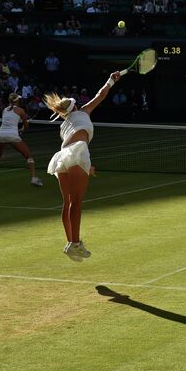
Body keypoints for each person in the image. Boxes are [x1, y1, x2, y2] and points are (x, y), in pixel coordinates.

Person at [44, 71, 122, 262]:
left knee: (68, 202)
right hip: (77, 153)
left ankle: (71, 242)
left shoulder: (64, 124)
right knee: (76, 202)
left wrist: (87, 167)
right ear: (75, 107)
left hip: (62, 157)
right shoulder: (83, 111)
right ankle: (75, 244)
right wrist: (112, 79)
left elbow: (71, 150)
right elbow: (101, 95)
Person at [0, 92, 43, 187]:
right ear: (17, 101)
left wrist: (20, 129)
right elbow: (26, 125)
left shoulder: (4, 110)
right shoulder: (21, 110)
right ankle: (34, 179)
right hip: (12, 135)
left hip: (0, 135)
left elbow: (8, 123)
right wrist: (23, 129)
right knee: (29, 157)